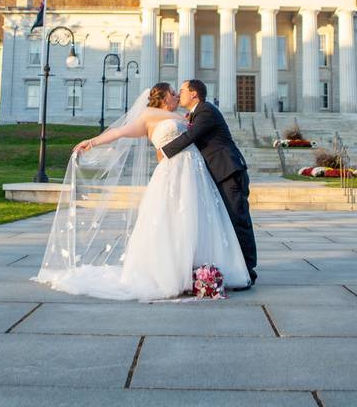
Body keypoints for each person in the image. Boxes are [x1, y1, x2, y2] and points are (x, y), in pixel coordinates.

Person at [34, 83, 250, 300]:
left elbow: (195, 137)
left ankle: (196, 269)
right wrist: (92, 141)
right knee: (171, 220)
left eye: (179, 92)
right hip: (173, 172)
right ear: (164, 98)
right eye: (173, 93)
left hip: (195, 172)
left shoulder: (189, 116)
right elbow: (119, 132)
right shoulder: (148, 116)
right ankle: (173, 274)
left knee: (198, 219)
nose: (177, 96)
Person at [159, 79, 258, 286]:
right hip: (221, 173)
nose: (179, 93)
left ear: (194, 93)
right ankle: (241, 268)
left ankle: (249, 271)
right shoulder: (197, 113)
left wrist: (163, 151)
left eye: (183, 90)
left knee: (239, 221)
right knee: (231, 222)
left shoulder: (206, 111)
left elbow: (191, 136)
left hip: (229, 172)